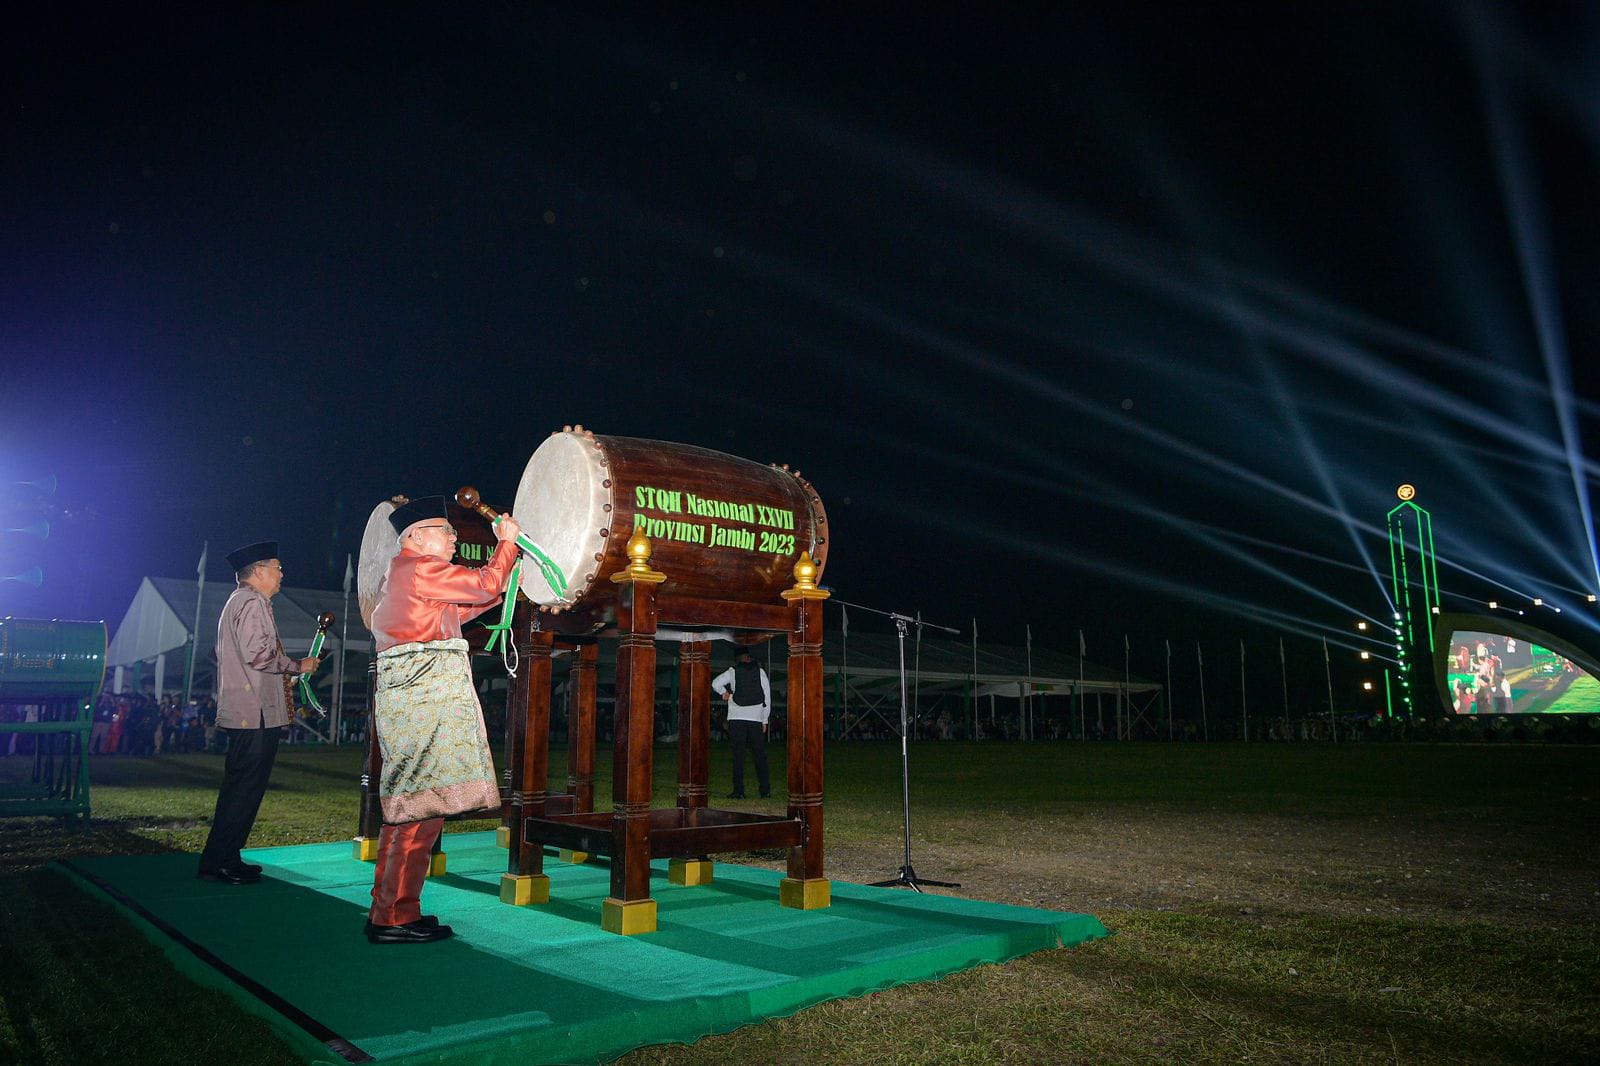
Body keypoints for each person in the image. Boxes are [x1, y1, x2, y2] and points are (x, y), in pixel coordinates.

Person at [365, 496, 518, 945]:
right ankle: (390, 917)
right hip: (423, 699)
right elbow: (483, 586)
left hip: (419, 699)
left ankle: (397, 909)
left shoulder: (409, 574)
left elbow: (462, 608)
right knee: (414, 811)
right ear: (416, 537)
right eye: (445, 531)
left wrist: (502, 583)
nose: (453, 538)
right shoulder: (417, 567)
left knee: (421, 808)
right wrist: (505, 547)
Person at [198, 541, 320, 885]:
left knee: (242, 788)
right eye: (278, 568)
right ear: (259, 570)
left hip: (250, 711)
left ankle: (226, 856)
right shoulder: (252, 602)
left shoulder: (241, 601)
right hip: (254, 715)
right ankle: (219, 861)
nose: (282, 574)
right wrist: (299, 665)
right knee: (243, 789)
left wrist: (282, 678)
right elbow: (259, 655)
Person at [712, 648, 772, 799]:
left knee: (738, 755)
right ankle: (765, 791)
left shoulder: (732, 671)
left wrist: (724, 694)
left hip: (736, 717)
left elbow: (715, 683)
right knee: (759, 755)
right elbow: (767, 697)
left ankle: (738, 791)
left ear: (737, 659)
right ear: (749, 657)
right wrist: (764, 720)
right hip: (756, 718)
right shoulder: (760, 672)